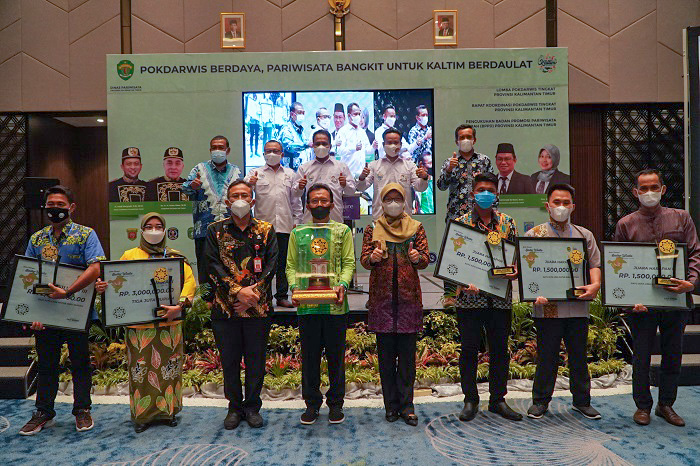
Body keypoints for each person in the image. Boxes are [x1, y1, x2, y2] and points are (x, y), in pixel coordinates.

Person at [613, 169, 699, 427]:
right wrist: (630, 298)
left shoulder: (681, 218)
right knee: (641, 356)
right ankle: (642, 406)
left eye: (654, 187)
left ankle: (666, 404)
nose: (649, 192)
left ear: (663, 189)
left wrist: (691, 283)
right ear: (635, 192)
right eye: (644, 188)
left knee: (673, 354)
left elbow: (695, 253)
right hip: (643, 305)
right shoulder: (625, 224)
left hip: (676, 301)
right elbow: (619, 264)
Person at [95, 213, 196, 433]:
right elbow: (117, 282)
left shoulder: (175, 257)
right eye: (148, 226)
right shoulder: (130, 255)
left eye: (158, 226)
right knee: (140, 371)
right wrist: (104, 286)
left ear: (165, 230)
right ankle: (142, 415)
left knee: (169, 369)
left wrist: (179, 306)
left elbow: (189, 282)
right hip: (139, 327)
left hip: (169, 323)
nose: (153, 230)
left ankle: (168, 412)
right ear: (141, 230)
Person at [19, 185, 106, 436]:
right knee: (46, 364)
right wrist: (32, 315)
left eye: (60, 205)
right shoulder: (37, 239)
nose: (55, 209)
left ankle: (82, 409)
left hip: (76, 311)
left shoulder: (86, 235)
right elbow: (28, 275)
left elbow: (95, 268)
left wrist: (66, 292)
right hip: (46, 313)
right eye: (51, 205)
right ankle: (44, 412)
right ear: (45, 207)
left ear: (71, 207)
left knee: (80, 363)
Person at [203, 180, 278, 430]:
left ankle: (253, 407)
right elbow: (212, 265)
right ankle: (234, 407)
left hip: (258, 308)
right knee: (230, 361)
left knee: (256, 361)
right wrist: (237, 293)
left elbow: (272, 266)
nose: (240, 200)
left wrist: (250, 297)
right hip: (226, 309)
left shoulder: (266, 230)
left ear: (252, 200)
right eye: (235, 195)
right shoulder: (214, 231)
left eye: (245, 195)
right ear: (227, 202)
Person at [525, 184, 602, 421]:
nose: (561, 207)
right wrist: (532, 291)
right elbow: (527, 270)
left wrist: (595, 285)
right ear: (547, 206)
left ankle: (582, 401)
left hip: (577, 306)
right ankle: (540, 401)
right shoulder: (534, 235)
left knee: (578, 356)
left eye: (565, 202)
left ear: (573, 206)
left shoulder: (584, 235)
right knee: (547, 356)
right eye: (556, 202)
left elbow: (594, 265)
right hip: (547, 307)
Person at [453, 173, 522, 423]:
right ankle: (470, 400)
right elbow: (454, 261)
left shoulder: (508, 223)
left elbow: (515, 260)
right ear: (472, 193)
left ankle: (497, 400)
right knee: (469, 351)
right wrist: (463, 282)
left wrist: (515, 272)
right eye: (481, 189)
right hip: (469, 300)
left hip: (500, 299)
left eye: (490, 190)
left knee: (500, 351)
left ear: (497, 194)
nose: (485, 194)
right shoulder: (460, 223)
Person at [360, 183, 429, 426]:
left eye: (397, 199)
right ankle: (391, 406)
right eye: (388, 199)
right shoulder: (372, 228)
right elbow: (364, 260)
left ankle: (407, 406)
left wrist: (417, 258)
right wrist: (372, 258)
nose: (393, 203)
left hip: (408, 300)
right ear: (381, 202)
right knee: (386, 359)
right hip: (383, 301)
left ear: (404, 201)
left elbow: (425, 260)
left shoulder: (416, 228)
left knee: (408, 359)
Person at [287, 183, 355, 425]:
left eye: (323, 200)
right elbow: (291, 266)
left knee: (336, 358)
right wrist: (294, 287)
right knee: (310, 359)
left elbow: (349, 263)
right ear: (307, 205)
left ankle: (336, 404)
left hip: (335, 306)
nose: (319, 204)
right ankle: (312, 404)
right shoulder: (298, 233)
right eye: (314, 201)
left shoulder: (342, 231)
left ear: (332, 204)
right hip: (308, 306)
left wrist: (343, 284)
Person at [437, 124, 493, 307]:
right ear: (456, 141)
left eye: (469, 137)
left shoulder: (484, 161)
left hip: (480, 215)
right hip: (456, 215)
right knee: (452, 254)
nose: (466, 140)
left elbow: (492, 186)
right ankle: (450, 295)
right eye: (462, 137)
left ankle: (481, 291)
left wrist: (494, 211)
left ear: (474, 139)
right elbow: (441, 186)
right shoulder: (450, 162)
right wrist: (448, 170)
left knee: (479, 253)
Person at [245, 140, 303, 308]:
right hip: (262, 228)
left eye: (275, 151)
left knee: (283, 263)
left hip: (285, 226)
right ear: (263, 154)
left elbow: (296, 201)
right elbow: (245, 195)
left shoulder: (290, 174)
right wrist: (250, 184)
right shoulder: (254, 173)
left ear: (282, 154)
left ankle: (282, 296)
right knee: (261, 264)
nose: (272, 154)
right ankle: (264, 295)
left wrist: (297, 221)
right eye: (268, 151)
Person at [181, 135, 241, 283]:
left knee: (231, 269)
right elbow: (184, 188)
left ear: (228, 150)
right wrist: (192, 186)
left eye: (221, 147)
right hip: (204, 228)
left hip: (230, 229)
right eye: (214, 148)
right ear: (210, 150)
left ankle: (230, 296)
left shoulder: (236, 171)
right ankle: (206, 297)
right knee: (205, 270)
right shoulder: (199, 169)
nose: (217, 150)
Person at [356, 128, 429, 220]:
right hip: (380, 218)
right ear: (383, 145)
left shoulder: (410, 166)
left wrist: (424, 178)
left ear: (400, 144)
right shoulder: (374, 166)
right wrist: (362, 178)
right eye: (389, 143)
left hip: (403, 218)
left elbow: (420, 188)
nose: (392, 146)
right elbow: (361, 187)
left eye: (395, 143)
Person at [293, 129, 356, 223]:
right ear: (313, 146)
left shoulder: (341, 167)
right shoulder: (304, 168)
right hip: (310, 221)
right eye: (317, 144)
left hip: (335, 219)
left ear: (330, 146)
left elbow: (351, 191)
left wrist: (345, 184)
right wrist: (300, 187)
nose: (321, 146)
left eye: (324, 144)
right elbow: (295, 194)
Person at [335, 102, 375, 178]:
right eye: (355, 114)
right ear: (349, 115)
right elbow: (340, 151)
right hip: (348, 175)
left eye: (359, 114)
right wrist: (354, 148)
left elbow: (367, 151)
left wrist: (373, 147)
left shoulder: (362, 132)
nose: (358, 116)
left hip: (361, 175)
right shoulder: (343, 131)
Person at [276, 101, 309, 169]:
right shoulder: (286, 128)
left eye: (303, 113)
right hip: (287, 168)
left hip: (298, 167)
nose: (302, 115)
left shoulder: (300, 129)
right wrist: (306, 145)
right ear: (292, 114)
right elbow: (289, 146)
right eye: (299, 112)